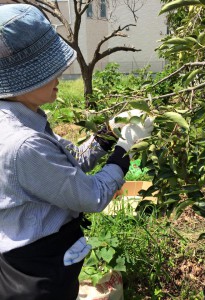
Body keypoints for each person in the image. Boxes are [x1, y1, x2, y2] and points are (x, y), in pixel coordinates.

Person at [0, 4, 154, 300]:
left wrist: (109, 130)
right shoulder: (23, 143)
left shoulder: (20, 120)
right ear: (23, 79)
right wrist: (126, 147)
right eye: (49, 70)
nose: (60, 74)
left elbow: (69, 164)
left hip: (25, 260)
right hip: (39, 274)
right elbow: (92, 195)